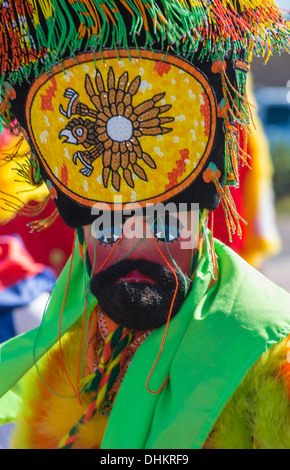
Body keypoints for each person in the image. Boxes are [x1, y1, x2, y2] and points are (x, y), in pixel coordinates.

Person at [0, 0, 290, 450]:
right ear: (83, 243)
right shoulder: (67, 354)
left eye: (168, 227)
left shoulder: (268, 364)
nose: (135, 247)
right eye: (110, 230)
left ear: (200, 230)